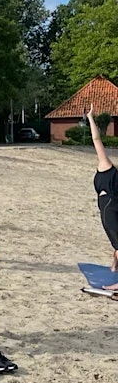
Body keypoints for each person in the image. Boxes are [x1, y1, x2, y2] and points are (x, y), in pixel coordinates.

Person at [86, 105, 118, 285]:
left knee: (117, 243)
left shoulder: (107, 167)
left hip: (108, 206)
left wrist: (90, 117)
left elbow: (96, 138)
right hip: (114, 205)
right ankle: (114, 266)